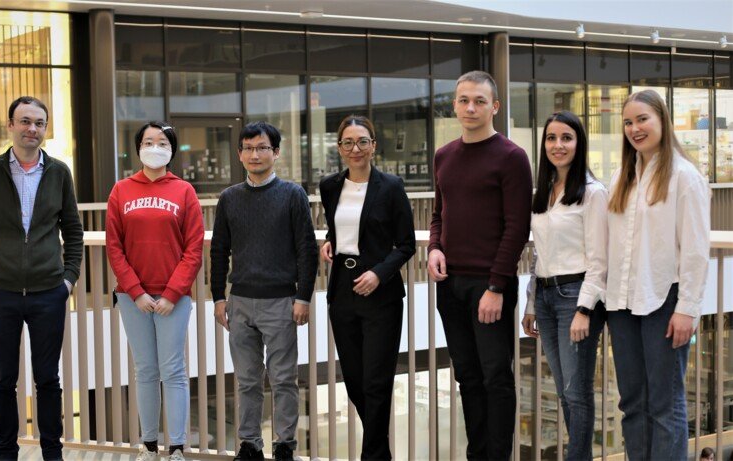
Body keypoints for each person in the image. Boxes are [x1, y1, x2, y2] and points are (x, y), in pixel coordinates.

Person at [0, 96, 83, 461]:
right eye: (25, 121)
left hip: (49, 292)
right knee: (3, 381)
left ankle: (52, 454)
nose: (33, 129)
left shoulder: (59, 172)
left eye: (40, 123)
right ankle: (6, 455)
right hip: (0, 292)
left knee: (48, 379)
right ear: (10, 125)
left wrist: (69, 280)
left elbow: (73, 232)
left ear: (45, 128)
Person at [428, 70, 532, 460]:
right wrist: (435, 247)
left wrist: (496, 287)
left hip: (489, 287)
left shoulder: (511, 157)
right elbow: (439, 213)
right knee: (467, 378)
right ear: (455, 105)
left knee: (496, 379)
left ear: (495, 107)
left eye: (480, 101)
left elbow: (516, 228)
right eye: (464, 100)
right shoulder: (444, 155)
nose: (471, 108)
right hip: (450, 284)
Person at [607, 89, 710, 460]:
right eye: (628, 123)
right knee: (632, 403)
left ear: (663, 121)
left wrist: (688, 308)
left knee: (665, 405)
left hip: (663, 301)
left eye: (642, 120)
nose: (634, 129)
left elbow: (697, 250)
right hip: (620, 303)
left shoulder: (685, 177)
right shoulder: (621, 177)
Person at [211, 121, 319, 461]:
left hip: (282, 301)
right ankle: (249, 444)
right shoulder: (229, 198)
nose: (254, 154)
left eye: (262, 148)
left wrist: (303, 296)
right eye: (247, 148)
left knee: (284, 378)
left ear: (275, 152)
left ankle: (284, 444)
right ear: (240, 154)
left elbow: (306, 248)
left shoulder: (292, 194)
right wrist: (218, 297)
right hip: (240, 300)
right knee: (246, 380)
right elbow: (218, 250)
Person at [319, 115, 416, 460]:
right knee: (357, 381)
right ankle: (382, 453)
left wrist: (379, 273)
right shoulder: (330, 186)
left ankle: (372, 457)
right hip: (342, 289)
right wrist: (330, 241)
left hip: (380, 293)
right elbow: (340, 226)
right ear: (339, 148)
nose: (355, 148)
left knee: (377, 381)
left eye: (362, 141)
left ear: (374, 146)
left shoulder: (391, 186)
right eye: (348, 142)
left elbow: (406, 244)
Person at [106, 122, 203, 461]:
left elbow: (193, 249)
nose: (154, 146)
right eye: (148, 141)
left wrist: (173, 293)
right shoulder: (121, 190)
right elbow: (114, 247)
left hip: (172, 299)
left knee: (173, 369)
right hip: (134, 298)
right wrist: (136, 292)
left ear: (172, 149)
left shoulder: (184, 191)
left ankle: (176, 447)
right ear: (138, 148)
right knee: (145, 369)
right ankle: (148, 445)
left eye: (162, 142)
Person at [520, 111, 607, 461]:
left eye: (566, 138)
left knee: (577, 392)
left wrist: (585, 309)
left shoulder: (593, 192)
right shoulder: (542, 192)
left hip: (576, 298)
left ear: (579, 143)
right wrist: (530, 303)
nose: (558, 145)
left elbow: (600, 258)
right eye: (551, 138)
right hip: (544, 294)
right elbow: (539, 252)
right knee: (563, 390)